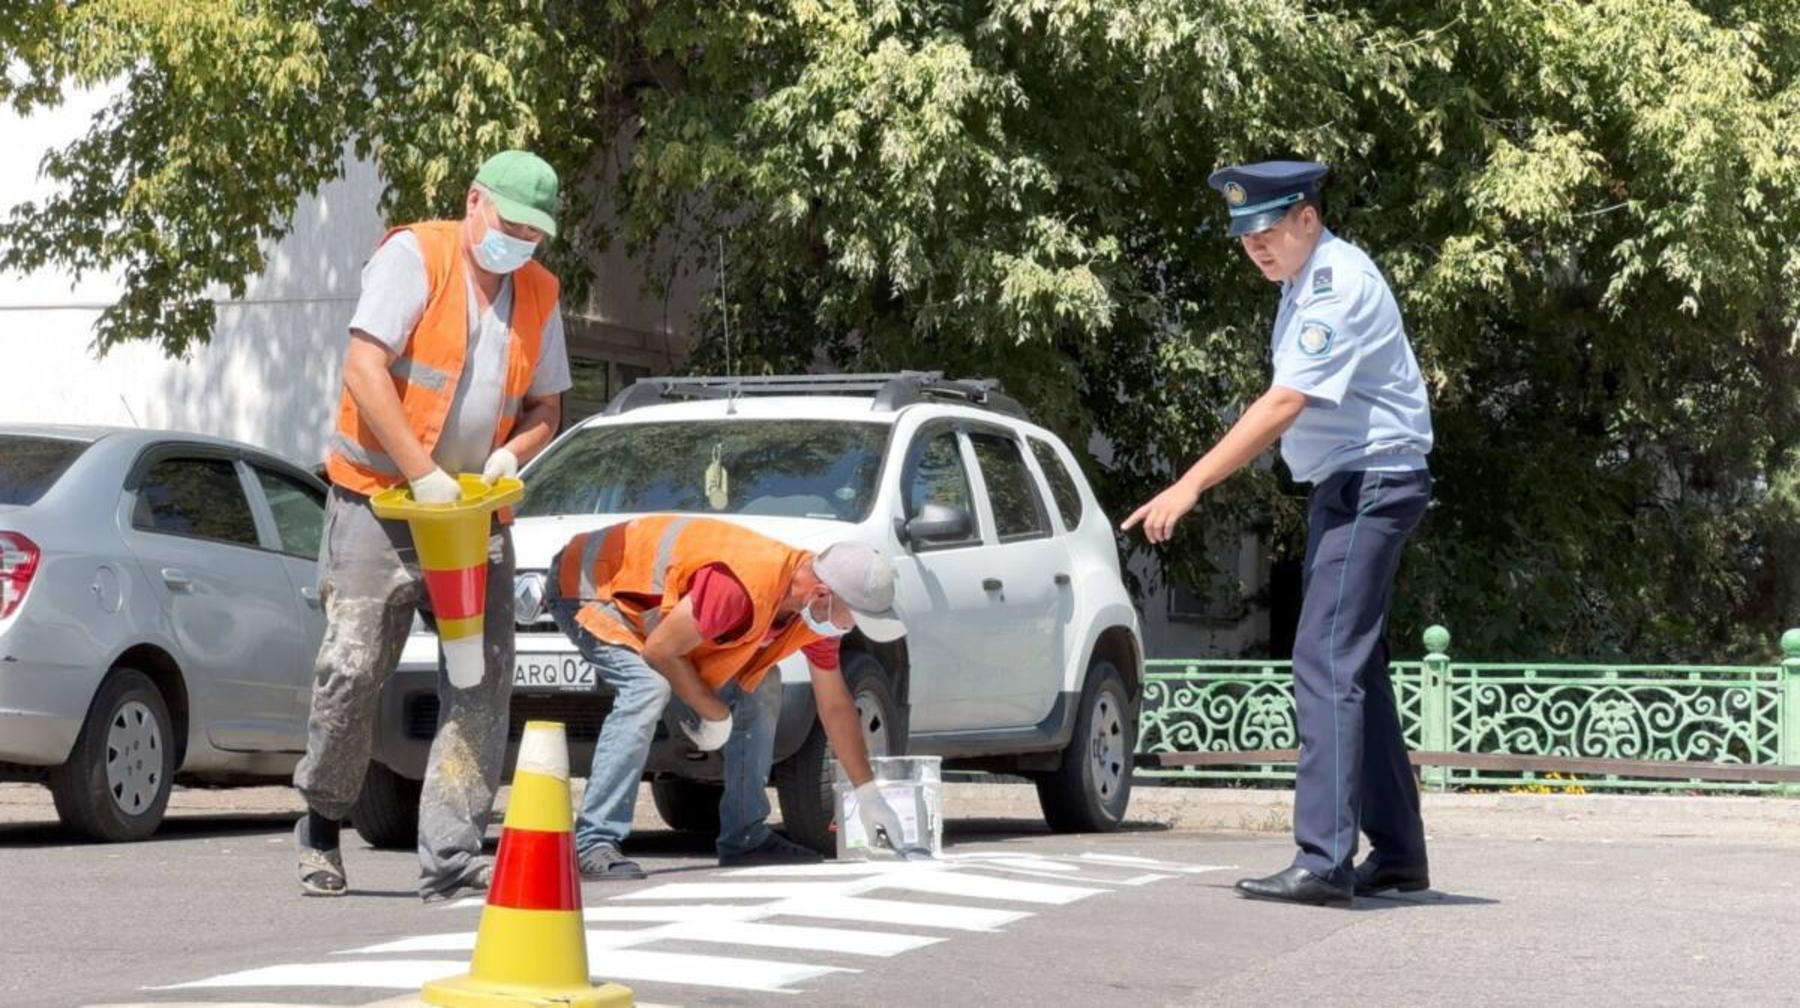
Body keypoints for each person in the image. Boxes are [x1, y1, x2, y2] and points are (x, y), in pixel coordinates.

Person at [1124, 160, 1434, 907]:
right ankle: (1397, 854)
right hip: (1354, 482)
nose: (1255, 248)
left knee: (1324, 658)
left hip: (1372, 482)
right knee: (1354, 665)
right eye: (1244, 239)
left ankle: (1325, 860)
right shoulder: (1303, 283)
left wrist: (1190, 483)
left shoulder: (1335, 283)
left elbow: (1285, 401)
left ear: (1306, 217)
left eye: (1266, 232)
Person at [292, 150, 572, 901]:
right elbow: (362, 367)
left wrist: (515, 452)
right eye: (509, 224)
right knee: (351, 668)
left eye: (534, 234)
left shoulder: (540, 292)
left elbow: (547, 407)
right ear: (474, 201)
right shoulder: (417, 256)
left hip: (474, 517)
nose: (519, 243)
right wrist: (421, 469)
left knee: (479, 682)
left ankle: (450, 856)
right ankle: (321, 819)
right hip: (379, 504)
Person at [546, 516, 909, 876]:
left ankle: (746, 837)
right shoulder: (742, 587)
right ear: (820, 594)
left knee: (762, 685)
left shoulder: (816, 612)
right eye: (852, 617)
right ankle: (593, 841)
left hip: (657, 619)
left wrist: (867, 793)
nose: (850, 628)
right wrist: (713, 713)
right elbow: (659, 652)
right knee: (646, 687)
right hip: (588, 586)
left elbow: (835, 705)